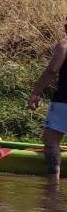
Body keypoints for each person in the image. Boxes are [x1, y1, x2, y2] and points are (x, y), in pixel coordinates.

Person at [26, 21, 67, 179]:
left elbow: (52, 70)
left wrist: (36, 92)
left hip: (64, 100)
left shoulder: (64, 44)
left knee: (51, 140)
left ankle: (53, 181)